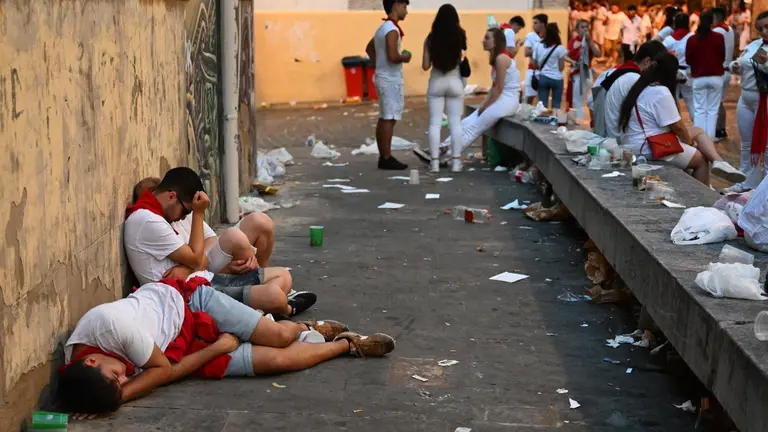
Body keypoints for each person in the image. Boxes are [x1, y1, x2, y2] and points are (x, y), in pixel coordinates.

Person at [56, 276, 396, 415]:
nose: (124, 378)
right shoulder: (86, 373)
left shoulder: (111, 325)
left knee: (280, 337)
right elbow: (164, 371)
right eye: (121, 383)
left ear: (91, 362)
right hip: (178, 350)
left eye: (116, 378)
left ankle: (305, 327)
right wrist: (106, 397)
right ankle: (348, 345)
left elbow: (162, 371)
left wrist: (120, 396)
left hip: (188, 306)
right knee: (279, 362)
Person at [124, 169, 314, 319]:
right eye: (187, 211)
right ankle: (279, 308)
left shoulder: (172, 212)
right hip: (194, 291)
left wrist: (190, 266)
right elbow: (195, 259)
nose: (184, 216)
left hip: (202, 276)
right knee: (275, 295)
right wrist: (198, 214)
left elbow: (207, 244)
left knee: (283, 275)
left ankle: (262, 295)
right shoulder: (149, 220)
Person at [617, 52, 745, 185]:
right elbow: (678, 127)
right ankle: (703, 193)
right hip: (649, 147)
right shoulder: (660, 91)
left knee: (698, 130)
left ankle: (719, 162)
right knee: (700, 159)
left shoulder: (641, 87)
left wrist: (688, 141)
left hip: (638, 142)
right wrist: (691, 144)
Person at [435, 28, 521, 162]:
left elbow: (498, 88)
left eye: (487, 38)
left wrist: (485, 106)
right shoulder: (497, 58)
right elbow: (494, 87)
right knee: (466, 122)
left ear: (496, 42)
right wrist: (483, 105)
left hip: (509, 100)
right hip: (502, 98)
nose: (483, 41)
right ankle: (441, 148)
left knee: (475, 127)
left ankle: (447, 156)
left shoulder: (501, 59)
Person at [723, 10, 768, 193]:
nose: (764, 32)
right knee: (746, 144)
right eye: (760, 29)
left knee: (766, 145)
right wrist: (735, 66)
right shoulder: (754, 45)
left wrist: (761, 62)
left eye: (767, 27)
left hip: (764, 99)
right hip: (746, 97)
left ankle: (764, 186)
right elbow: (742, 65)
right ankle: (745, 180)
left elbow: (762, 66)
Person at [365, 0, 411, 170]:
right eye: (404, 7)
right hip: (390, 79)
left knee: (385, 116)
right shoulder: (392, 30)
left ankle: (384, 155)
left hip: (383, 76)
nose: (406, 11)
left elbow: (369, 48)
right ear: (396, 5)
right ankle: (386, 157)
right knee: (389, 118)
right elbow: (393, 56)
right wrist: (405, 57)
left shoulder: (382, 28)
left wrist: (378, 64)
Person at [422, 4, 467, 173]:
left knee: (434, 124)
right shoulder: (460, 36)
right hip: (455, 81)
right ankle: (456, 163)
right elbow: (462, 58)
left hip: (436, 81)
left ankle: (434, 163)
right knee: (455, 124)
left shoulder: (430, 39)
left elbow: (425, 65)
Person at [600, 40, 668, 138]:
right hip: (623, 138)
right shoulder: (635, 79)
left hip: (612, 133)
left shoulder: (619, 72)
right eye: (658, 68)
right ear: (647, 61)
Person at [686, 11, 726, 139]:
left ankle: (700, 139)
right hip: (716, 77)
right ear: (712, 22)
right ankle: (710, 138)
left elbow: (688, 60)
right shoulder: (719, 37)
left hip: (699, 77)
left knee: (699, 110)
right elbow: (722, 56)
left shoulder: (692, 39)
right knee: (713, 111)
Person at [663, 13, 695, 121]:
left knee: (673, 103)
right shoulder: (692, 37)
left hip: (672, 73)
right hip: (689, 73)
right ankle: (698, 127)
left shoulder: (668, 40)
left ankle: (676, 127)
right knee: (691, 103)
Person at [566, 19, 600, 120]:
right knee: (574, 100)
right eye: (582, 27)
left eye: (586, 27)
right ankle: (574, 119)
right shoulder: (573, 42)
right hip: (574, 72)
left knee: (578, 101)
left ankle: (578, 120)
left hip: (585, 73)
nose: (585, 29)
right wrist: (572, 62)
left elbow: (598, 54)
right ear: (577, 29)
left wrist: (590, 41)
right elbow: (565, 55)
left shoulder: (590, 42)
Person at [713, 6, 736, 141]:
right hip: (726, 70)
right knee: (719, 102)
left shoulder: (716, 31)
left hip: (719, 70)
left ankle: (718, 130)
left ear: (715, 18)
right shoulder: (730, 30)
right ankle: (721, 129)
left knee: (716, 103)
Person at [533, 23, 567, 110]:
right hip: (557, 79)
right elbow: (561, 67)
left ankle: (542, 118)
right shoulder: (560, 48)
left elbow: (534, 63)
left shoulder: (538, 45)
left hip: (543, 77)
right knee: (556, 105)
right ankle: (554, 118)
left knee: (542, 105)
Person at [524, 14, 549, 104]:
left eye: (536, 23)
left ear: (543, 24)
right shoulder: (530, 36)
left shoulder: (549, 36)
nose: (533, 25)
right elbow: (526, 52)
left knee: (543, 99)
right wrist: (540, 49)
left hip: (546, 71)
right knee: (529, 97)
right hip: (533, 70)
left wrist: (535, 49)